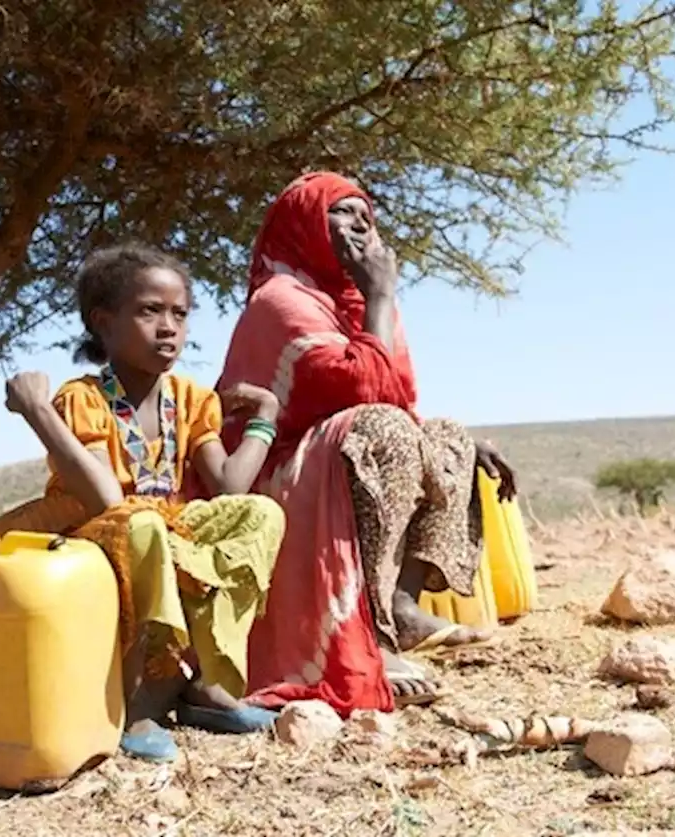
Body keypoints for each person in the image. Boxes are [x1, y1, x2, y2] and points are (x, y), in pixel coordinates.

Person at [215, 172, 517, 715]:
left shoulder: (355, 304)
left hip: (341, 457)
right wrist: (381, 292)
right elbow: (362, 389)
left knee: (446, 435)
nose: (362, 222)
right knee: (384, 430)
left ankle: (400, 606)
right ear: (305, 226)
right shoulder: (278, 299)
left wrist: (462, 448)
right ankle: (369, 637)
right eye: (342, 212)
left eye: (366, 213)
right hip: (276, 476)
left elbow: (399, 394)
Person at [0, 243, 286, 763]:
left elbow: (231, 486)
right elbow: (103, 497)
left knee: (260, 515)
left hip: (155, 525)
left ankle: (206, 681)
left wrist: (266, 414)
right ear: (103, 322)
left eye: (179, 313)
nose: (168, 326)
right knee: (141, 522)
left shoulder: (192, 400)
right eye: (149, 311)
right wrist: (38, 411)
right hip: (87, 531)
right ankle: (141, 696)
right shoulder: (82, 399)